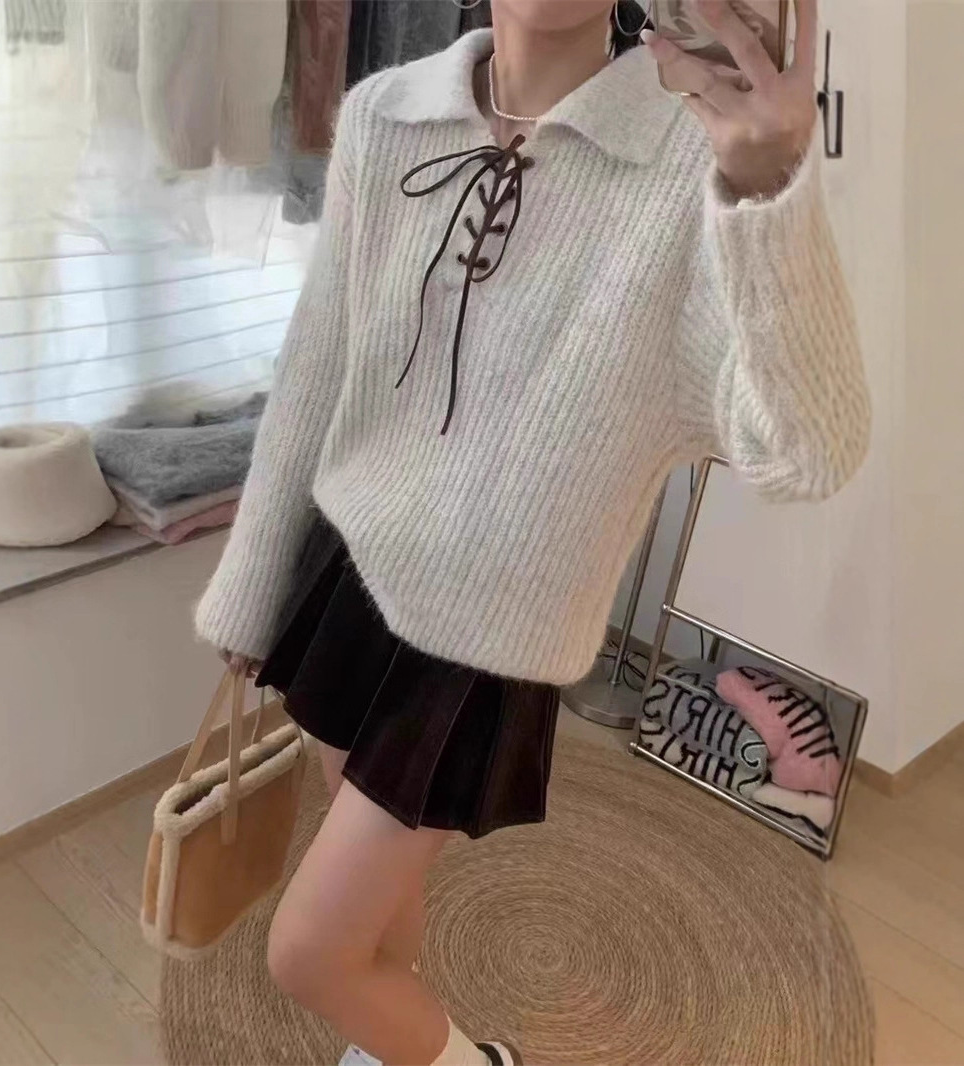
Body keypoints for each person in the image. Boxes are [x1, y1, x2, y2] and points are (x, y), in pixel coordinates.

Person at [195, 0, 870, 1062]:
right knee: (374, 911)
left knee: (310, 954)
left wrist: (769, 188)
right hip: (348, 569)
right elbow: (318, 361)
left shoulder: (689, 161)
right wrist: (254, 586)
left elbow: (809, 452)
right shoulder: (386, 115)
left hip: (484, 634)